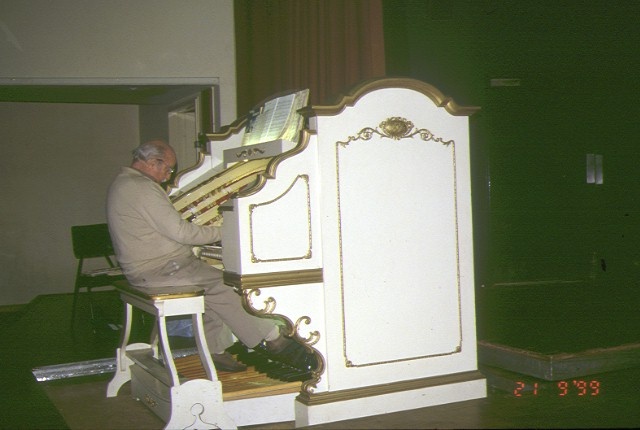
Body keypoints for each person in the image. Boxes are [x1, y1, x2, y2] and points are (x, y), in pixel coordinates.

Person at [106, 140, 306, 372]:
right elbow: (181, 232)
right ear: (152, 162)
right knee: (227, 286)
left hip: (151, 268)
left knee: (211, 287)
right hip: (160, 270)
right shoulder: (141, 187)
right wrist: (228, 232)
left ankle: (215, 350)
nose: (168, 177)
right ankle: (274, 340)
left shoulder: (123, 183)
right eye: (168, 169)